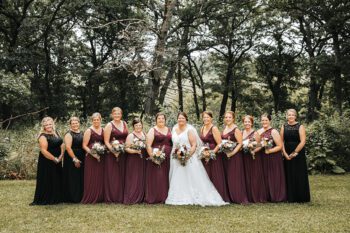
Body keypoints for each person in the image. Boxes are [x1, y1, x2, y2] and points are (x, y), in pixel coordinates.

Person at [165, 112, 227, 206]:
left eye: (182, 118)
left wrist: (187, 156)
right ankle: (178, 196)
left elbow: (194, 144)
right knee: (178, 176)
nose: (180, 120)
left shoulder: (190, 130)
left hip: (189, 157)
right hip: (176, 157)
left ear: (186, 119)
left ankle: (195, 195)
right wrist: (176, 153)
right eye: (179, 118)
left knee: (192, 176)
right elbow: (174, 144)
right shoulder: (174, 128)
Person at [31, 117, 64, 205]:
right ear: (43, 126)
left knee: (56, 177)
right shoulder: (43, 136)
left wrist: (61, 156)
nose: (48, 126)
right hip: (47, 160)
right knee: (47, 178)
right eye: (46, 125)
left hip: (58, 158)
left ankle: (57, 198)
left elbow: (61, 144)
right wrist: (54, 159)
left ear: (52, 124)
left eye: (50, 124)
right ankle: (47, 198)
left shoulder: (56, 133)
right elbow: (44, 151)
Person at [281, 109, 310, 203]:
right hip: (286, 151)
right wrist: (285, 153)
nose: (290, 116)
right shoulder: (283, 126)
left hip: (298, 152)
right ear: (286, 116)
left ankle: (301, 197)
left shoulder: (300, 126)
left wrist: (295, 152)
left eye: (292, 115)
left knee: (299, 173)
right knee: (288, 173)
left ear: (295, 116)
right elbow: (281, 141)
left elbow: (303, 141)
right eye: (289, 115)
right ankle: (290, 197)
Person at [200, 111, 229, 202]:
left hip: (214, 155)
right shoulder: (202, 128)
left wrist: (212, 153)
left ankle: (219, 196)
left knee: (215, 175)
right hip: (204, 154)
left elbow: (219, 143)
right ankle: (207, 196)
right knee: (206, 175)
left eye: (208, 117)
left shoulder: (214, 128)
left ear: (211, 118)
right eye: (204, 117)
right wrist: (203, 153)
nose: (206, 119)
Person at [258, 114, 287, 202]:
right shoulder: (259, 131)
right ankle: (267, 196)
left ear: (269, 121)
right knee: (265, 175)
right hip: (263, 156)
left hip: (273, 156)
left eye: (266, 120)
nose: (264, 122)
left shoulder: (273, 131)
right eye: (263, 120)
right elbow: (259, 144)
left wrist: (270, 151)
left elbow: (280, 145)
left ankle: (276, 196)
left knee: (273, 175)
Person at [221, 111, 248, 204]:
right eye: (226, 117)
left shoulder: (236, 129)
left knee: (235, 176)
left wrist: (232, 153)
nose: (227, 119)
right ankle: (230, 197)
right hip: (225, 156)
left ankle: (238, 197)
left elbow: (240, 144)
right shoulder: (225, 128)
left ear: (233, 118)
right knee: (228, 176)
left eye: (229, 117)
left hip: (235, 156)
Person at [145, 113, 171, 204]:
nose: (161, 120)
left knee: (166, 176)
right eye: (159, 118)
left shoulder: (169, 129)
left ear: (165, 119)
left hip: (168, 157)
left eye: (162, 118)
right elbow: (148, 145)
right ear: (156, 120)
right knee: (158, 177)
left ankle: (167, 196)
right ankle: (157, 197)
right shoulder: (152, 130)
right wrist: (153, 157)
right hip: (157, 156)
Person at [103, 107, 128, 203]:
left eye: (119, 113)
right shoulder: (109, 125)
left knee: (122, 174)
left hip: (123, 153)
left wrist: (125, 147)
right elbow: (106, 141)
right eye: (115, 113)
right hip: (112, 154)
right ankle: (112, 197)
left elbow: (127, 137)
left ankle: (121, 196)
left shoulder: (125, 123)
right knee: (113, 175)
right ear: (112, 114)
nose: (117, 115)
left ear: (121, 114)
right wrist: (114, 151)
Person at [241, 115, 267, 203]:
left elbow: (260, 145)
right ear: (243, 123)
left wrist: (254, 150)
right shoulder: (241, 132)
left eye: (249, 122)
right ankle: (248, 196)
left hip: (254, 156)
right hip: (245, 157)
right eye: (245, 122)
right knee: (247, 176)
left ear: (252, 123)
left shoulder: (255, 133)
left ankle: (257, 196)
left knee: (255, 176)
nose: (247, 123)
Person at [81, 113, 105, 204]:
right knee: (91, 176)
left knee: (100, 176)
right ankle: (91, 197)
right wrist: (93, 153)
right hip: (91, 157)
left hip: (101, 156)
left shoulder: (103, 129)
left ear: (100, 120)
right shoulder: (89, 130)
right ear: (92, 121)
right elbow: (84, 145)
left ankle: (100, 196)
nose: (96, 121)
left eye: (97, 119)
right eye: (94, 120)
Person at [123, 118, 146, 204]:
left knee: (140, 177)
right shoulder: (131, 135)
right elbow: (126, 148)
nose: (138, 127)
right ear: (133, 126)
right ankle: (131, 197)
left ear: (142, 125)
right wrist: (136, 151)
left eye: (140, 125)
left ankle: (140, 196)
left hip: (142, 158)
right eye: (136, 125)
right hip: (133, 159)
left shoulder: (144, 134)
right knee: (133, 177)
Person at [63, 116, 85, 203]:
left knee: (80, 176)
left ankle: (81, 196)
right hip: (72, 156)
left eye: (76, 123)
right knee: (73, 177)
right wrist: (75, 159)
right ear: (70, 125)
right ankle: (72, 197)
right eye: (73, 123)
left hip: (82, 155)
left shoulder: (82, 133)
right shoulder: (68, 134)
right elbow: (68, 148)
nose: (75, 124)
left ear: (79, 123)